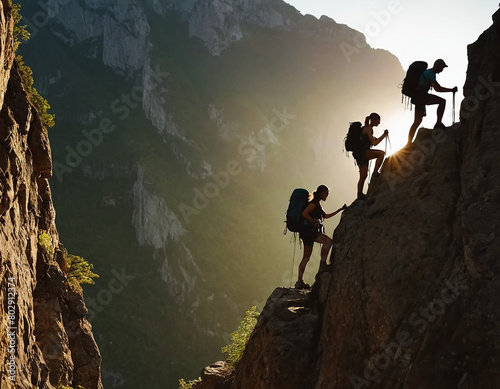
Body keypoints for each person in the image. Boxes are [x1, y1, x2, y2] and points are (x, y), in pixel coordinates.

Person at [295, 185, 346, 289]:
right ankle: (322, 264)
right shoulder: (314, 204)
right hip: (309, 232)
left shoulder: (317, 204)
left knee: (307, 257)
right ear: (321, 193)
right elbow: (304, 213)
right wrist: (313, 221)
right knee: (327, 242)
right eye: (326, 193)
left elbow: (325, 216)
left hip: (308, 233)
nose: (327, 195)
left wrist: (339, 210)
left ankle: (299, 281)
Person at [407, 59, 458, 145]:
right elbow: (438, 88)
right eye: (442, 68)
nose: (442, 70)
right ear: (437, 66)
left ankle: (409, 143)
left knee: (417, 122)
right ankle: (438, 123)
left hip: (418, 97)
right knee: (442, 101)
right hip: (421, 97)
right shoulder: (430, 74)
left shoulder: (428, 73)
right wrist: (451, 90)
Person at [353, 113, 389, 201]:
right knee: (381, 154)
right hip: (364, 153)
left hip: (359, 155)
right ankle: (375, 172)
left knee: (363, 176)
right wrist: (384, 135)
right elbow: (374, 143)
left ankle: (359, 194)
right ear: (373, 119)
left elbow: (372, 141)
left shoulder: (367, 128)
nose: (379, 123)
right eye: (378, 120)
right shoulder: (368, 128)